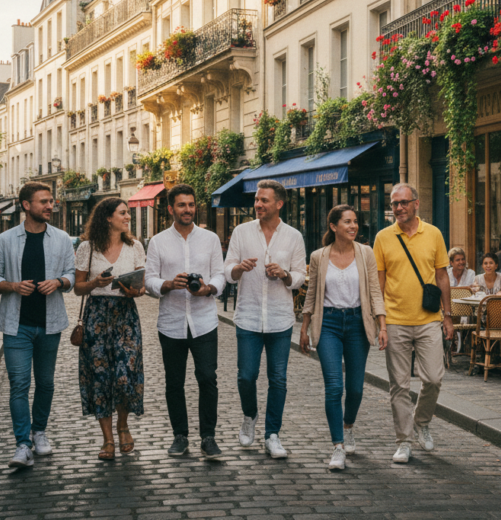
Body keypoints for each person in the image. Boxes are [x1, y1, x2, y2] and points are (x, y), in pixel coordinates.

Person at [0, 182, 75, 468]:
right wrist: (11, 286)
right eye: (43, 201)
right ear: (26, 205)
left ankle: (39, 432)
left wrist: (59, 282)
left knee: (46, 383)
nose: (50, 206)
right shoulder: (5, 240)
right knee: (19, 385)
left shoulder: (62, 239)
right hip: (17, 325)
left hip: (50, 325)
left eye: (51, 201)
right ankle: (22, 444)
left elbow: (72, 275)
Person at [299, 204, 388, 470]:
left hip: (358, 324)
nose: (353, 226)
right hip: (328, 324)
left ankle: (348, 424)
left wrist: (382, 326)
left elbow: (375, 292)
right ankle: (337, 446)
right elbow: (311, 294)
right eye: (347, 222)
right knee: (334, 386)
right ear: (333, 226)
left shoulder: (365, 253)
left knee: (356, 388)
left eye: (355, 222)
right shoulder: (318, 256)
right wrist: (303, 329)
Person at [225, 179, 306, 459]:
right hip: (248, 317)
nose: (258, 204)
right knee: (246, 377)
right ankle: (250, 415)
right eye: (257, 200)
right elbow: (227, 271)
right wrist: (239, 268)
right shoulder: (241, 231)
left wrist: (284, 274)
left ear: (279, 204)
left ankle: (272, 434)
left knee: (278, 379)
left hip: (280, 319)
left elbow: (299, 277)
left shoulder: (294, 236)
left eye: (264, 200)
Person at [144, 184, 226, 459]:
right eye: (182, 205)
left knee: (207, 379)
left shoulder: (211, 239)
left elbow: (220, 274)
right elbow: (149, 281)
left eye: (191, 204)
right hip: (171, 323)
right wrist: (168, 283)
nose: (188, 209)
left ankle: (208, 437)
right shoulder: (157, 242)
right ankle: (180, 435)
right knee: (174, 382)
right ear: (171, 209)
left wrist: (208, 289)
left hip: (204, 321)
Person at [373, 183, 453, 464]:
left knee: (433, 378)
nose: (398, 208)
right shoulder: (383, 237)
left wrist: (448, 316)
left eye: (404, 203)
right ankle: (404, 440)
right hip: (395, 321)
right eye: (394, 204)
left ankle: (422, 422)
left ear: (416, 203)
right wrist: (380, 322)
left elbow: (442, 277)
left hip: (429, 319)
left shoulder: (433, 234)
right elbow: (379, 283)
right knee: (399, 385)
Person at [73, 197, 147, 461]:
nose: (128, 217)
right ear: (107, 217)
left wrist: (134, 290)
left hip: (125, 315)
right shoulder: (87, 248)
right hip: (96, 317)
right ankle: (107, 439)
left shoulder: (135, 246)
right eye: (123, 213)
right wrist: (95, 282)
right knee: (100, 377)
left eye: (128, 214)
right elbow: (77, 287)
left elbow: (142, 286)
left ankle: (123, 424)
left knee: (125, 372)